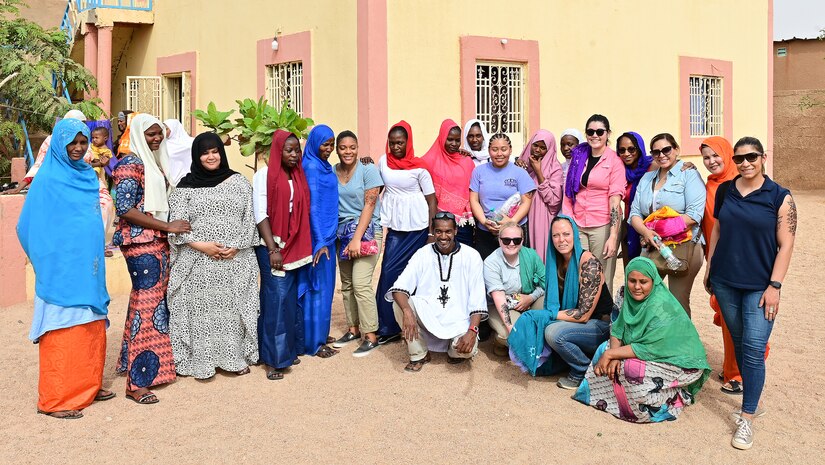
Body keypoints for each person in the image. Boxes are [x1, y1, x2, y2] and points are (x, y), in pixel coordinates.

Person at [17, 118, 112, 419]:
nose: (79, 148)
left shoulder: (86, 175)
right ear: (59, 143)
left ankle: (87, 386)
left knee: (90, 325)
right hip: (61, 271)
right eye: (73, 142)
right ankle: (56, 399)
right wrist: (48, 258)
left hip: (90, 268)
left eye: (83, 142)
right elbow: (27, 226)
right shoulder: (47, 180)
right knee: (62, 328)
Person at [705, 136, 796, 450]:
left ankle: (746, 418)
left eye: (751, 157)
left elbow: (786, 244)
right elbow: (717, 228)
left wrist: (775, 286)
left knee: (754, 348)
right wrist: (710, 267)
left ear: (763, 157)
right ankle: (754, 402)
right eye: (740, 158)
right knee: (741, 342)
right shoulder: (727, 190)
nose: (745, 163)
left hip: (760, 285)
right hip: (726, 281)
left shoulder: (780, 197)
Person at [166, 132, 260, 379]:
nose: (210, 156)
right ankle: (202, 363)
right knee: (201, 313)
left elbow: (250, 219)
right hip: (198, 262)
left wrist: (237, 246)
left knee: (231, 311)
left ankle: (233, 358)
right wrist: (202, 245)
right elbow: (176, 225)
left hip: (233, 261)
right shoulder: (183, 187)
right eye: (204, 152)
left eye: (215, 151)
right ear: (197, 156)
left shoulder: (239, 182)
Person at [573, 257, 711, 423]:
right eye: (632, 280)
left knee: (632, 369)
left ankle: (674, 397)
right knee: (604, 349)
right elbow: (617, 327)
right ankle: (607, 400)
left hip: (679, 362)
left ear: (653, 281)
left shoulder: (661, 306)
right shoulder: (625, 294)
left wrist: (612, 354)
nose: (637, 287)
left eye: (643, 282)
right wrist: (613, 354)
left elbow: (648, 348)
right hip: (641, 348)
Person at [112, 113, 191, 404]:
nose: (157, 139)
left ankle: (131, 364)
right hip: (140, 243)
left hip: (153, 242)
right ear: (137, 135)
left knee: (145, 303)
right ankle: (137, 383)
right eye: (150, 134)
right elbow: (125, 209)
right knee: (148, 305)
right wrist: (168, 226)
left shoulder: (153, 161)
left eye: (159, 134)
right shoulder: (129, 165)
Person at [509, 215, 613, 388]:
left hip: (599, 326)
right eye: (556, 235)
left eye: (566, 234)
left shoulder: (589, 263)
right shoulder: (555, 261)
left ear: (575, 235)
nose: (561, 240)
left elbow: (583, 315)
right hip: (574, 324)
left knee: (551, 332)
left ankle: (582, 369)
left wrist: (546, 315)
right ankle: (569, 360)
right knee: (539, 326)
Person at [700, 136, 767, 395]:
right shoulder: (709, 185)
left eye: (716, 155)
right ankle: (733, 368)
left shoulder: (743, 186)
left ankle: (739, 373)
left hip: (745, 265)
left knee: (744, 321)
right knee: (729, 319)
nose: (711, 161)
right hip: (718, 262)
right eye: (706, 157)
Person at [388, 212, 487, 372]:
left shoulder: (471, 256)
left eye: (448, 231)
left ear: (455, 231)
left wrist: (472, 330)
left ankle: (453, 350)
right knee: (400, 303)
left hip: (459, 321)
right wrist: (407, 311)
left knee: (464, 353)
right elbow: (399, 288)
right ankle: (419, 353)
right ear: (433, 232)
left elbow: (477, 298)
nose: (443, 236)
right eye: (439, 231)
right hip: (427, 317)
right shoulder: (423, 253)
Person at [253, 130, 313, 380]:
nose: (294, 154)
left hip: (293, 245)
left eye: (297, 150)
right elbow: (260, 214)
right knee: (276, 299)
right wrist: (272, 249)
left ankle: (287, 350)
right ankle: (273, 359)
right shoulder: (264, 175)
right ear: (278, 150)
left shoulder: (298, 175)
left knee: (288, 300)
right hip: (273, 245)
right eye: (288, 150)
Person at [373, 121, 437, 345]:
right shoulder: (383, 162)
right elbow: (375, 185)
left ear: (408, 142)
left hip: (418, 228)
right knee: (388, 272)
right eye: (392, 143)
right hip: (396, 228)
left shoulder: (420, 167)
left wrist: (431, 233)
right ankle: (387, 326)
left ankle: (418, 325)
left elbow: (431, 200)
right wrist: (366, 165)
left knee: (417, 276)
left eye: (400, 142)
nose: (396, 147)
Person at [629, 133, 705, 316]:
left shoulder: (688, 175)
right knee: (641, 296)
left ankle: (683, 343)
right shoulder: (647, 179)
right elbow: (634, 214)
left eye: (666, 149)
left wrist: (657, 231)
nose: (661, 155)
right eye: (656, 152)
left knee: (676, 300)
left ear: (676, 149)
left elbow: (694, 215)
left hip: (684, 244)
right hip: (652, 244)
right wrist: (646, 233)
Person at [330, 131, 384, 357]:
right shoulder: (333, 171)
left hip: (368, 232)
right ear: (336, 149)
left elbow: (369, 205)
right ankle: (353, 329)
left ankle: (371, 335)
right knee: (347, 284)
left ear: (358, 147)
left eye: (352, 147)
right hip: (342, 235)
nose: (348, 152)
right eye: (343, 147)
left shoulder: (368, 170)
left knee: (361, 283)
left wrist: (356, 239)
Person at [562, 115, 624, 294]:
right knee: (581, 271)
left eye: (600, 131)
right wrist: (569, 221)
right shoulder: (579, 157)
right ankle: (584, 316)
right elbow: (569, 192)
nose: (595, 135)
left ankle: (604, 319)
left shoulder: (614, 161)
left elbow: (615, 200)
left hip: (602, 224)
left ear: (608, 133)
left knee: (602, 274)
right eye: (590, 131)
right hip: (579, 222)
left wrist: (613, 236)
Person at [300, 124, 340, 358]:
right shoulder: (312, 167)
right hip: (319, 239)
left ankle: (320, 334)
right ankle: (313, 343)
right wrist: (319, 241)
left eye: (331, 144)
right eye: (325, 144)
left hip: (328, 235)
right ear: (315, 144)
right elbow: (312, 207)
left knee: (326, 289)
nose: (329, 149)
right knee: (317, 288)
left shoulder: (324, 166)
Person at [469, 133, 536, 259]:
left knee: (515, 269)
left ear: (510, 150)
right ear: (489, 150)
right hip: (486, 231)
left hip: (514, 232)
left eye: (503, 149)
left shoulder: (520, 173)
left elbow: (526, 202)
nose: (499, 154)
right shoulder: (479, 172)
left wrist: (511, 222)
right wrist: (484, 221)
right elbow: (474, 200)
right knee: (487, 269)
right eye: (495, 149)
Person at [483, 222, 545, 354]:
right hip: (503, 305)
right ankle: (501, 342)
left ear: (522, 240)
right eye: (506, 240)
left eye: (516, 240)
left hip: (529, 299)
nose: (511, 244)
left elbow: (546, 283)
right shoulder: (491, 262)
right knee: (510, 334)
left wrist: (530, 297)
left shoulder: (531, 255)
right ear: (499, 240)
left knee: (548, 305)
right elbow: (499, 298)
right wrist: (512, 329)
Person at [2, 109, 88, 196]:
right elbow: (39, 165)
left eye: (83, 124)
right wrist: (19, 188)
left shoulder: (85, 142)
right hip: (57, 187)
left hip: (82, 185)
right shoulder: (52, 141)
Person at [422, 118, 476, 244]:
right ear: (442, 138)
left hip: (462, 224)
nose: (454, 143)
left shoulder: (467, 161)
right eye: (450, 139)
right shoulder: (429, 161)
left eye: (457, 140)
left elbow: (473, 191)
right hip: (439, 224)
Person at [517, 129, 563, 263]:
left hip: (542, 219)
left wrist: (538, 172)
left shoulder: (555, 169)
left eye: (543, 148)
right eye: (535, 145)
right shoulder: (521, 164)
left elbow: (554, 201)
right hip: (522, 218)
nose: (537, 150)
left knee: (541, 258)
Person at [616, 132, 652, 268]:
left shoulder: (651, 166)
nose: (626, 153)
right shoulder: (619, 170)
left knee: (648, 271)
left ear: (640, 149)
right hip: (628, 224)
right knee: (630, 267)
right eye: (622, 150)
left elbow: (672, 163)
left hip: (648, 225)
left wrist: (687, 165)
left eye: (631, 149)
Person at [85, 126, 115, 257]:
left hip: (97, 182)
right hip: (85, 181)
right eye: (93, 137)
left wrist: (102, 163)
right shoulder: (88, 146)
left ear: (105, 138)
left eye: (97, 137)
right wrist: (98, 164)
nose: (94, 140)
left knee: (106, 207)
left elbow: (105, 161)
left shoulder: (106, 151)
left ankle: (99, 245)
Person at [164, 119, 195, 185]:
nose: (163, 132)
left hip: (188, 180)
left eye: (166, 129)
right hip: (170, 179)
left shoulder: (190, 143)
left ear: (174, 129)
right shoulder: (163, 144)